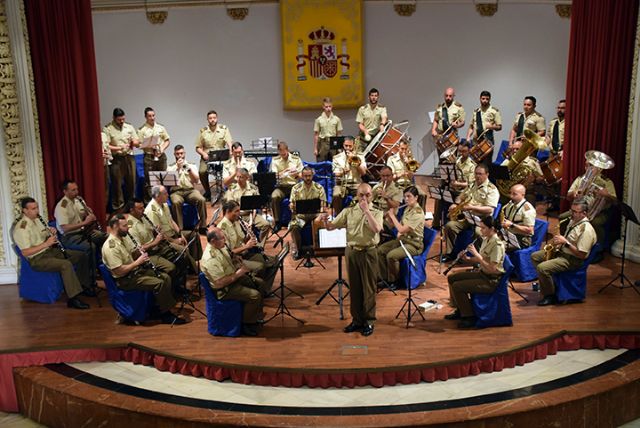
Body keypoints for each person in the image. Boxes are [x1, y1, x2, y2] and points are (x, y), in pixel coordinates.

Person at [321, 183, 383, 336]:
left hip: (369, 252)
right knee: (355, 288)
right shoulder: (348, 211)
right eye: (361, 195)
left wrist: (367, 211)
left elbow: (376, 229)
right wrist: (324, 220)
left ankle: (369, 321)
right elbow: (330, 227)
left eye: (367, 195)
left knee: (368, 289)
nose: (364, 198)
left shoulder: (377, 211)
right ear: (356, 195)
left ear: (372, 196)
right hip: (352, 252)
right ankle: (357, 320)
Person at [102, 214, 186, 324]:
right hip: (125, 279)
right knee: (159, 283)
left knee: (165, 277)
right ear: (115, 227)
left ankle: (159, 307)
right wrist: (138, 262)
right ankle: (166, 315)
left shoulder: (122, 239)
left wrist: (139, 252)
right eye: (124, 226)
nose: (128, 228)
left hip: (134, 272)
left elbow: (131, 254)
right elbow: (119, 271)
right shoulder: (110, 247)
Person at [13, 197, 91, 309]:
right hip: (37, 259)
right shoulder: (21, 228)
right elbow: (25, 252)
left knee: (81, 255)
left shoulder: (37, 220)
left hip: (49, 252)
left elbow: (43, 234)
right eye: (33, 209)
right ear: (25, 211)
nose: (37, 211)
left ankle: (83, 286)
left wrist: (51, 231)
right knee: (66, 264)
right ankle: (73, 299)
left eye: (37, 208)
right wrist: (46, 244)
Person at [444, 216, 506, 328]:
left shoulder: (497, 245)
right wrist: (467, 259)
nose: (481, 230)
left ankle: (469, 317)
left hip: (491, 280)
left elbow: (493, 269)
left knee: (458, 286)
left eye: (483, 228)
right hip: (482, 273)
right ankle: (460, 309)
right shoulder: (486, 239)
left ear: (492, 228)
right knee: (452, 278)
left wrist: (476, 255)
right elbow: (479, 260)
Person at [531, 200, 596, 306]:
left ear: (584, 213)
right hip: (562, 253)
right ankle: (547, 284)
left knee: (542, 268)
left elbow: (582, 255)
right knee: (535, 256)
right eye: (572, 210)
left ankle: (549, 296)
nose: (572, 214)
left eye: (575, 212)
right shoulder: (574, 221)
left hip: (572, 260)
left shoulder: (587, 230)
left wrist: (565, 243)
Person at [201, 228, 264, 336]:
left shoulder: (220, 246)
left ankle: (254, 314)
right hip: (224, 290)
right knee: (255, 295)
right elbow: (219, 283)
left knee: (260, 283)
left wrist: (235, 260)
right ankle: (246, 324)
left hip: (232, 278)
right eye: (222, 239)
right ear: (213, 241)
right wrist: (239, 273)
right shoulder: (210, 259)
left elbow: (227, 260)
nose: (225, 241)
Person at [54, 179, 108, 290]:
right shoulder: (61, 206)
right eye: (73, 190)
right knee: (90, 247)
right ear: (65, 191)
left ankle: (103, 268)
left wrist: (89, 214)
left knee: (104, 237)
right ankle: (87, 281)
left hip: (82, 232)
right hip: (69, 237)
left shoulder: (78, 200)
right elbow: (64, 228)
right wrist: (85, 222)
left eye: (76, 189)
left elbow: (84, 214)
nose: (76, 192)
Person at [218, 200, 277, 295]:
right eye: (236, 211)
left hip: (244, 254)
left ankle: (264, 289)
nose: (239, 214)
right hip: (233, 260)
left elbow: (242, 240)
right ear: (228, 211)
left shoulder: (236, 221)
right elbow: (229, 252)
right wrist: (247, 246)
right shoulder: (222, 228)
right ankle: (256, 288)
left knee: (274, 261)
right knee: (261, 266)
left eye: (239, 210)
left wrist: (249, 235)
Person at [443, 164, 499, 262]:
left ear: (487, 174)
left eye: (480, 174)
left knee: (478, 232)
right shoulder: (472, 184)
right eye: (476, 173)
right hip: (467, 217)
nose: (477, 176)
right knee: (450, 226)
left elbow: (490, 209)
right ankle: (451, 253)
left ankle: (479, 259)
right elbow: (461, 196)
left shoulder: (492, 189)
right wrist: (456, 204)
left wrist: (472, 207)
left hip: (482, 220)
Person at [126, 198, 181, 289]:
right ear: (132, 210)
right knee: (171, 268)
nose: (143, 210)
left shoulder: (143, 217)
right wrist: (154, 243)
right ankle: (172, 289)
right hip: (148, 255)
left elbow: (151, 232)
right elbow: (137, 251)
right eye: (140, 208)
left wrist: (156, 231)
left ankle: (178, 285)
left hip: (157, 247)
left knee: (181, 253)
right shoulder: (131, 226)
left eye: (143, 207)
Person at [564, 156, 616, 249]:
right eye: (586, 165)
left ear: (599, 168)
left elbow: (615, 201)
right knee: (562, 218)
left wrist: (606, 195)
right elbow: (568, 196)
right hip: (580, 210)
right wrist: (574, 193)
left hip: (599, 213)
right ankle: (567, 242)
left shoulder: (607, 182)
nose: (587, 168)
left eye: (591, 166)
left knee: (595, 223)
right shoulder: (580, 179)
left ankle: (597, 249)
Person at [145, 185, 201, 271]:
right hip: (165, 241)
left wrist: (180, 234)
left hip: (173, 234)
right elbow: (159, 235)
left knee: (193, 235)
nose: (167, 195)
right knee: (183, 250)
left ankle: (194, 263)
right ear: (158, 196)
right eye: (165, 193)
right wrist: (175, 241)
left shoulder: (164, 204)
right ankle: (195, 271)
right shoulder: (151, 211)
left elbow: (171, 221)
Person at [377, 186, 424, 288]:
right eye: (405, 197)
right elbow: (396, 226)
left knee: (391, 256)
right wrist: (389, 217)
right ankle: (385, 278)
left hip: (414, 244)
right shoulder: (407, 209)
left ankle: (395, 281)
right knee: (380, 250)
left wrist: (393, 217)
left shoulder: (418, 213)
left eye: (409, 196)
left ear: (416, 197)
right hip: (403, 240)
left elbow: (402, 230)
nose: (406, 199)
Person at [104, 108, 140, 211]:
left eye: (123, 119)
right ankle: (118, 208)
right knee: (117, 184)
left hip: (129, 157)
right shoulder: (108, 129)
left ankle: (131, 207)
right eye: (119, 120)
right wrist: (119, 148)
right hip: (116, 158)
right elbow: (106, 145)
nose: (122, 121)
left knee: (131, 182)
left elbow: (137, 140)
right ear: (114, 118)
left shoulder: (129, 126)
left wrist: (134, 142)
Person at [166, 145, 207, 234]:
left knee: (202, 199)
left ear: (184, 153)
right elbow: (169, 182)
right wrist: (177, 167)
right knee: (176, 202)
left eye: (181, 153)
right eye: (177, 154)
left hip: (190, 190)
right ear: (174, 154)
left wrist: (188, 169)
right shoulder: (170, 167)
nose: (180, 156)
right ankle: (179, 230)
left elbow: (196, 180)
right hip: (176, 192)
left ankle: (203, 227)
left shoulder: (191, 165)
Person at [288, 166, 327, 259]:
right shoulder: (296, 188)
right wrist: (291, 206)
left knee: (320, 221)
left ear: (312, 175)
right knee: (294, 226)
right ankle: (299, 250)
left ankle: (320, 249)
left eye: (309, 176)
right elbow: (291, 203)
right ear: (302, 176)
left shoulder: (319, 188)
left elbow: (323, 205)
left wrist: (320, 216)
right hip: (301, 215)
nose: (307, 178)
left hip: (315, 214)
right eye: (305, 176)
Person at [195, 110, 232, 200]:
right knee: (202, 172)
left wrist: (231, 151)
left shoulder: (224, 129)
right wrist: (203, 154)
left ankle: (227, 191)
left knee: (230, 169)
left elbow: (229, 142)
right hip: (208, 156)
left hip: (221, 156)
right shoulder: (203, 131)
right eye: (210, 118)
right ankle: (207, 192)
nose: (212, 120)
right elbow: (197, 147)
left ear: (217, 118)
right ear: (207, 120)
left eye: (214, 118)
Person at [138, 107, 171, 202]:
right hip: (149, 156)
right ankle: (150, 203)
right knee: (149, 181)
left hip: (160, 156)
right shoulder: (142, 130)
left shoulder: (161, 127)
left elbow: (167, 140)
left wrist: (162, 148)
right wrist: (149, 145)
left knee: (162, 179)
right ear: (145, 117)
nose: (152, 118)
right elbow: (139, 145)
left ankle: (163, 201)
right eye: (149, 116)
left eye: (153, 115)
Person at [270, 142, 303, 227]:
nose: (283, 155)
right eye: (281, 154)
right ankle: (277, 222)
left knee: (301, 195)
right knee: (274, 196)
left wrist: (296, 174)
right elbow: (274, 176)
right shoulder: (275, 160)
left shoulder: (296, 159)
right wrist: (285, 171)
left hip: (293, 186)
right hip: (281, 187)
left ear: (288, 150)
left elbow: (302, 175)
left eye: (285, 153)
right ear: (279, 152)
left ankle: (299, 219)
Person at [331, 136, 367, 215]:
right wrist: (343, 172)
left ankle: (359, 215)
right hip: (342, 183)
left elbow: (363, 172)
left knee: (362, 194)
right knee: (336, 195)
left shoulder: (360, 156)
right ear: (343, 145)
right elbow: (336, 174)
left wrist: (354, 159)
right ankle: (338, 215)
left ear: (353, 145)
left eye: (350, 146)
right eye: (346, 146)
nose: (347, 148)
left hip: (356, 183)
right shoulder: (337, 158)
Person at [465, 90, 502, 163]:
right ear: (480, 99)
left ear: (489, 99)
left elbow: (499, 127)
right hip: (476, 142)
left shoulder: (494, 111)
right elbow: (471, 126)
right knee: (475, 164)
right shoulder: (476, 111)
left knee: (486, 165)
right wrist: (468, 137)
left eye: (487, 99)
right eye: (483, 98)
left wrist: (491, 127)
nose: (485, 101)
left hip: (487, 142)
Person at [500, 184, 536, 251]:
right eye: (510, 193)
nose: (511, 196)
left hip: (522, 239)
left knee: (498, 247)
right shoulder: (510, 204)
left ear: (523, 195)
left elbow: (530, 230)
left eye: (514, 194)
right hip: (509, 235)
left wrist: (512, 225)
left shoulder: (528, 210)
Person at [371, 166, 403, 232]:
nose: (385, 178)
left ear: (392, 176)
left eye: (388, 176)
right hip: (378, 211)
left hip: (389, 214)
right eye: (383, 176)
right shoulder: (377, 187)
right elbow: (369, 200)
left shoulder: (397, 189)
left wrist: (387, 198)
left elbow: (395, 205)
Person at [356, 88, 388, 152]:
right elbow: (360, 124)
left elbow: (384, 117)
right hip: (364, 137)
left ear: (378, 97)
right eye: (372, 95)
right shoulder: (362, 109)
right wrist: (365, 131)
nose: (374, 97)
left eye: (375, 96)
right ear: (369, 97)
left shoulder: (382, 108)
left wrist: (382, 124)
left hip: (376, 138)